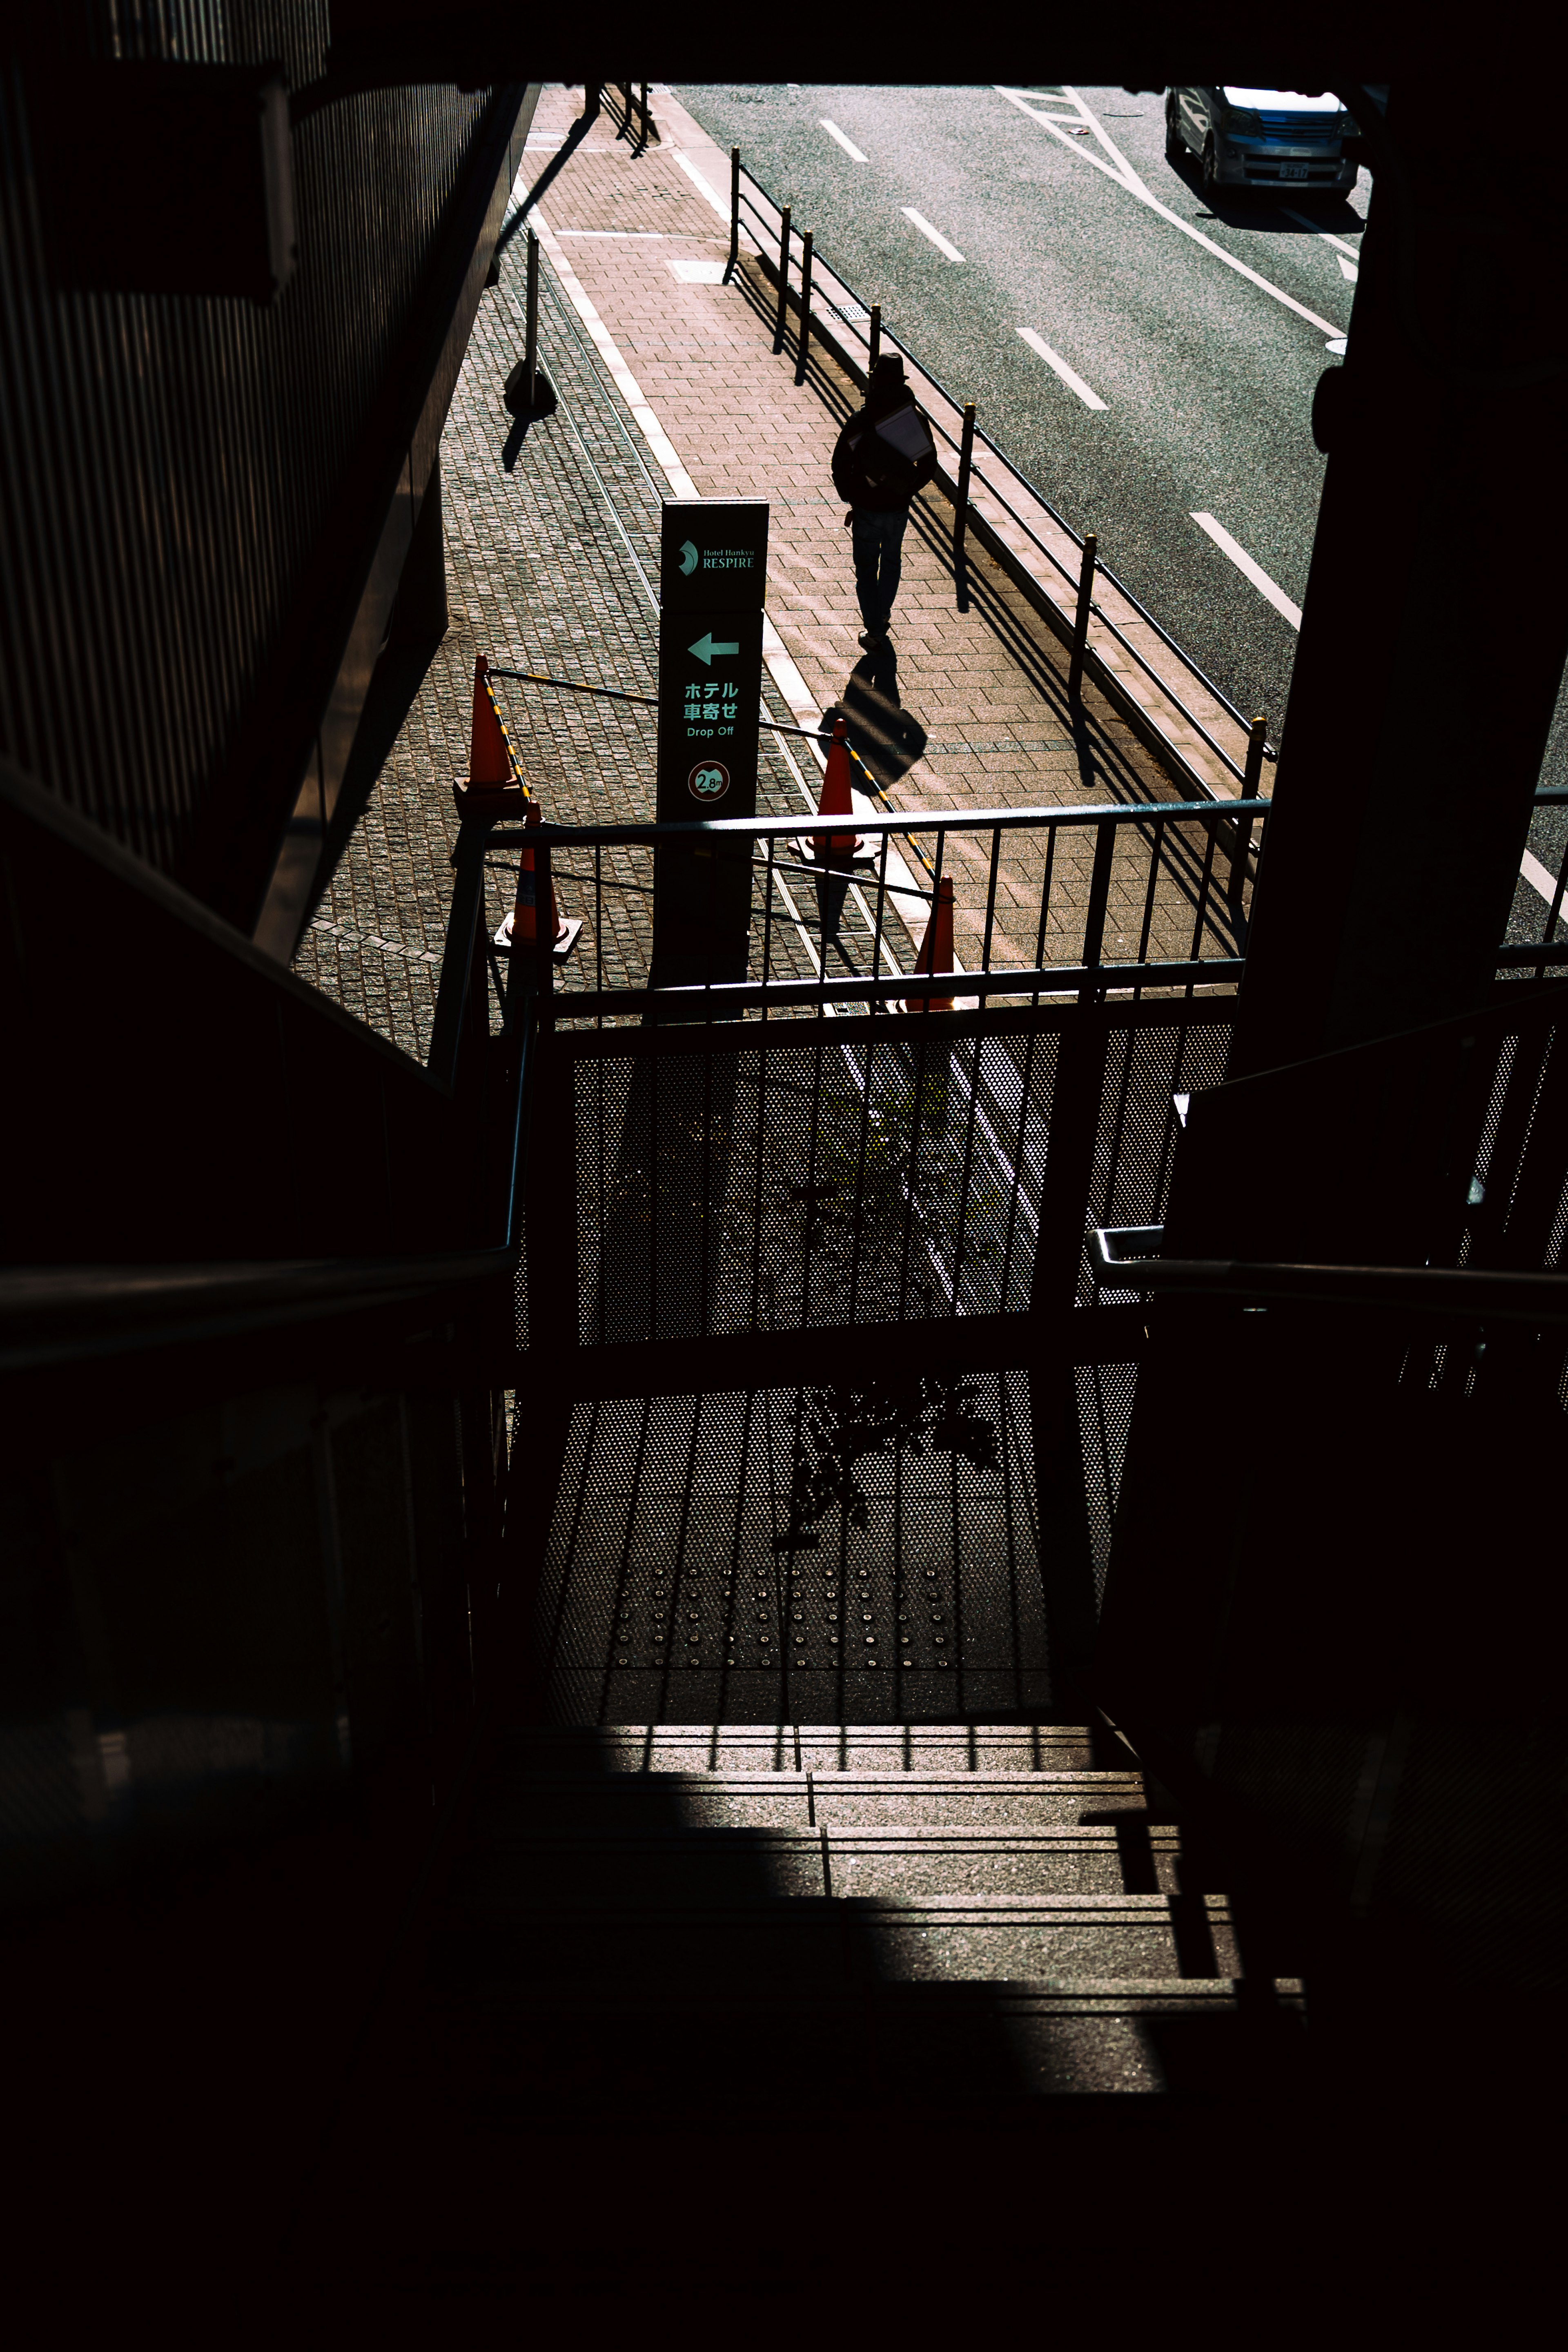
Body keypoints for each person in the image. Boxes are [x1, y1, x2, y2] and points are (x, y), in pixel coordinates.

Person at [831, 353, 929, 653]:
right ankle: (881, 617)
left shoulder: (863, 420)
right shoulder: (911, 420)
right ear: (901, 382)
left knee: (865, 569)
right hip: (897, 509)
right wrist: (905, 491)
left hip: (867, 508)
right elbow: (928, 466)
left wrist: (852, 496)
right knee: (891, 563)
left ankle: (874, 627)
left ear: (875, 381)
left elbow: (840, 462)